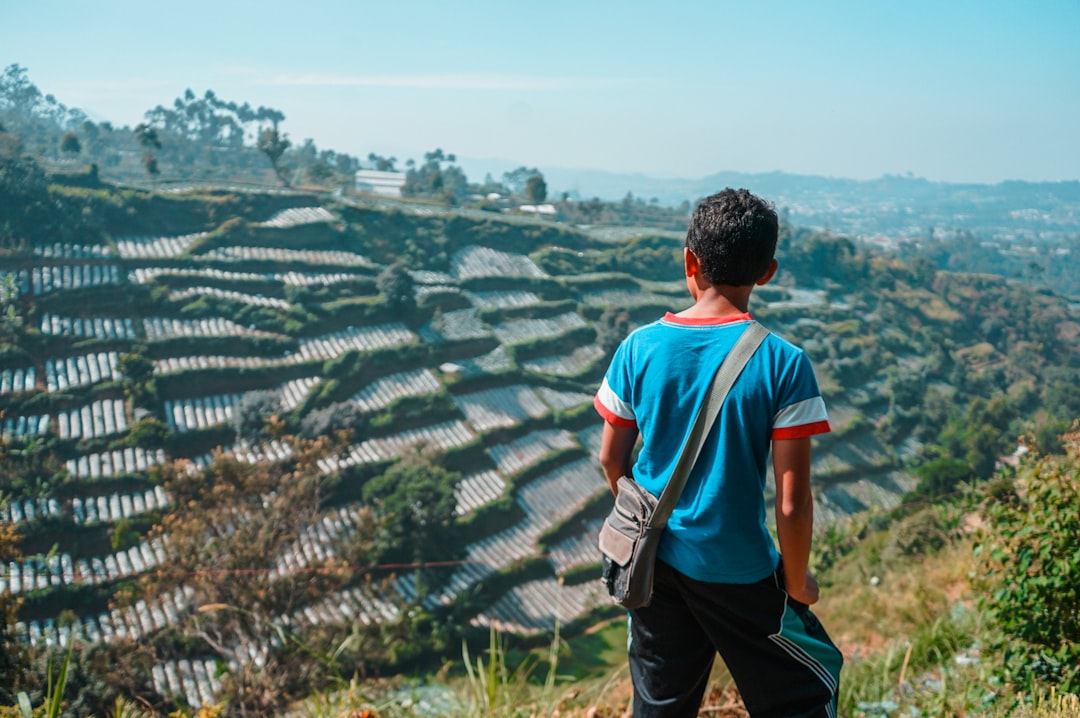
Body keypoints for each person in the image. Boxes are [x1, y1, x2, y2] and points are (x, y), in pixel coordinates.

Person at [593, 188, 843, 717]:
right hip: (740, 571)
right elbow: (793, 505)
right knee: (807, 692)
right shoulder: (785, 364)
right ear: (768, 272)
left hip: (656, 565)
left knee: (661, 704)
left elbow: (612, 461)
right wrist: (797, 582)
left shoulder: (638, 346)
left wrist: (650, 523)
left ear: (690, 260)